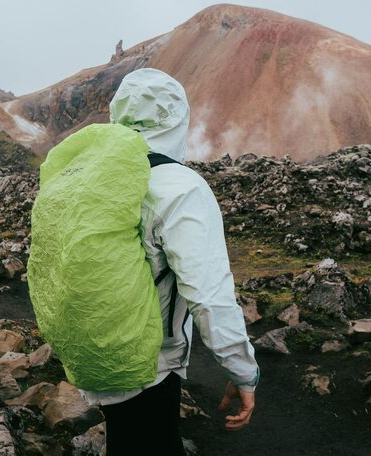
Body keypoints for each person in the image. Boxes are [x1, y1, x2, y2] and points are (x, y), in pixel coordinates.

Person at [82, 68, 260, 455]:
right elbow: (208, 296)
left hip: (92, 351)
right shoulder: (179, 187)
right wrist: (242, 371)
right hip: (148, 363)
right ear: (178, 120)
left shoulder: (91, 179)